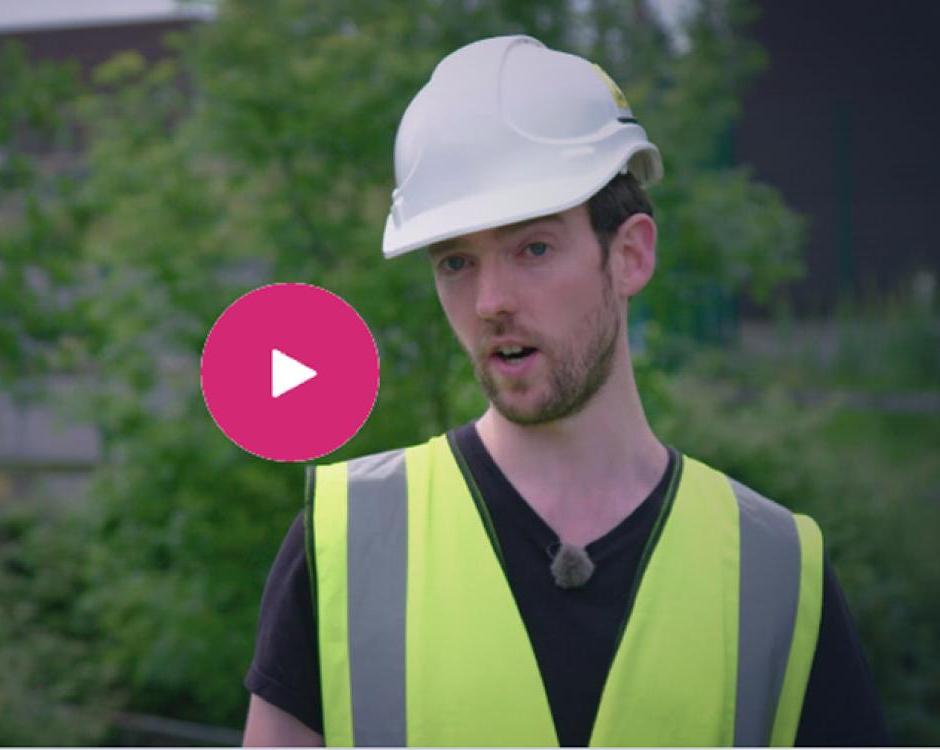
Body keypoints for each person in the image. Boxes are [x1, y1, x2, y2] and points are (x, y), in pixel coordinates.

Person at [241, 35, 889, 747]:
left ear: (631, 254)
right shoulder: (342, 540)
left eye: (534, 249)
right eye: (456, 261)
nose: (490, 300)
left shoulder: (776, 570)